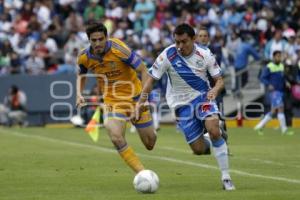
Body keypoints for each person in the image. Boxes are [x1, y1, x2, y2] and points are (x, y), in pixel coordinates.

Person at [134, 23, 235, 190]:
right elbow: (150, 81)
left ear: (193, 39)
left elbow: (220, 81)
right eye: (177, 42)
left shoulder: (205, 54)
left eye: (184, 42)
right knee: (198, 149)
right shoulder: (167, 54)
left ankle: (226, 178)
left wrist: (215, 90)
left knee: (213, 127)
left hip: (202, 97)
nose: (179, 46)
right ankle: (213, 138)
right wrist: (140, 104)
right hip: (181, 105)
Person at [76, 21, 157, 174]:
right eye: (94, 40)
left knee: (150, 143)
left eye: (101, 39)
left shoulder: (119, 49)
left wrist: (143, 101)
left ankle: (150, 130)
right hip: (113, 101)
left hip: (135, 98)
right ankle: (142, 173)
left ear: (106, 37)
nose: (98, 43)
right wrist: (79, 94)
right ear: (89, 40)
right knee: (115, 135)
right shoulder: (84, 57)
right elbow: (81, 75)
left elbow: (144, 70)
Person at [197, 27, 228, 142]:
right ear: (196, 38)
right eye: (200, 36)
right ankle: (208, 143)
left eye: (205, 36)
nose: (203, 38)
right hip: (201, 90)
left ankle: (224, 144)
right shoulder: (193, 52)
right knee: (205, 116)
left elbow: (217, 68)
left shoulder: (215, 49)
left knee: (220, 115)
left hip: (215, 88)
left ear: (208, 38)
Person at [254, 51, 294, 135]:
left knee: (273, 111)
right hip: (274, 92)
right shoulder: (269, 66)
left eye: (280, 56)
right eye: (277, 56)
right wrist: (268, 84)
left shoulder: (281, 66)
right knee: (281, 108)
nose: (279, 58)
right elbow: (262, 78)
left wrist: (286, 82)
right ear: (274, 57)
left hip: (280, 91)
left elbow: (283, 77)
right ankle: (284, 130)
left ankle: (259, 127)